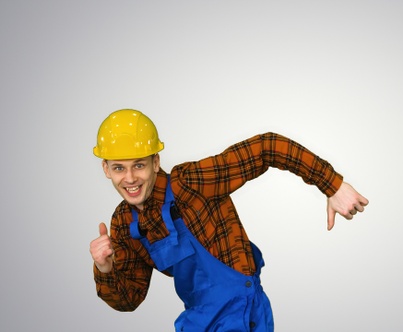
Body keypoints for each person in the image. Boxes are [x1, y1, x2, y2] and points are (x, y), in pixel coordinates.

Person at [89, 109, 369, 331]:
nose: (129, 179)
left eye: (138, 165)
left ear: (155, 162)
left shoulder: (190, 183)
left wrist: (332, 184)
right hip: (197, 321)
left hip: (241, 313)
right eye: (118, 168)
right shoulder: (126, 222)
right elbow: (129, 299)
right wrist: (105, 268)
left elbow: (267, 147)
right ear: (106, 169)